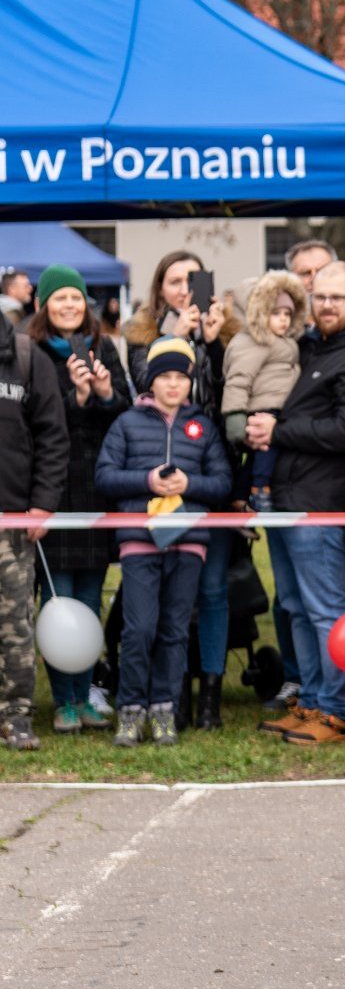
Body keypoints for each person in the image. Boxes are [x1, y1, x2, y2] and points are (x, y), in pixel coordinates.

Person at [247, 261, 345, 747]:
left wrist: (279, 431)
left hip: (322, 505)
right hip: (287, 501)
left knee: (324, 609)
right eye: (320, 297)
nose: (327, 305)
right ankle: (310, 700)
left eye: (337, 297)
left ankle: (336, 711)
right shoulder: (311, 346)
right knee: (295, 608)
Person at [93, 337, 232, 748]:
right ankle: (131, 709)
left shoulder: (203, 428)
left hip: (189, 541)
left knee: (174, 630)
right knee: (138, 629)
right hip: (139, 540)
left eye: (180, 377)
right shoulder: (126, 424)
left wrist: (191, 484)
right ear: (150, 381)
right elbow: (104, 476)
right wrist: (146, 481)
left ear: (190, 382)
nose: (173, 385)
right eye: (164, 377)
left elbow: (223, 483)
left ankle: (165, 708)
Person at [28, 266, 128, 733]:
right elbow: (37, 424)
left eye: (75, 297)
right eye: (59, 298)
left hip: (95, 485)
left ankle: (85, 694)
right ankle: (64, 701)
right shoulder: (32, 354)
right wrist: (76, 396)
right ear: (43, 305)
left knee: (89, 596)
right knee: (57, 598)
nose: (69, 305)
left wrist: (105, 393)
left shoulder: (104, 346)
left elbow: (126, 415)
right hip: (51, 487)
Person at [0, 304, 68, 751]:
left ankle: (16, 715)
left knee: (13, 624)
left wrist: (43, 503)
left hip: (11, 521)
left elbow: (52, 435)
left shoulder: (25, 356)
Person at [223, 272, 308, 515]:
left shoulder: (285, 340)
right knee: (264, 452)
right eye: (276, 313)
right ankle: (260, 489)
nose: (283, 320)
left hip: (280, 405)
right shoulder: (255, 342)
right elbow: (239, 379)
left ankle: (240, 496)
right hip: (265, 406)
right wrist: (235, 416)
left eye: (287, 314)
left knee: (257, 457)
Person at [121, 251, 239, 420]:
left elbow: (232, 389)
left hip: (214, 434)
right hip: (167, 434)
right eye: (175, 282)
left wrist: (214, 344)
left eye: (191, 281)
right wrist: (174, 337)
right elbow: (145, 386)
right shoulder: (143, 330)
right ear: (160, 289)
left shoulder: (226, 326)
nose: (185, 291)